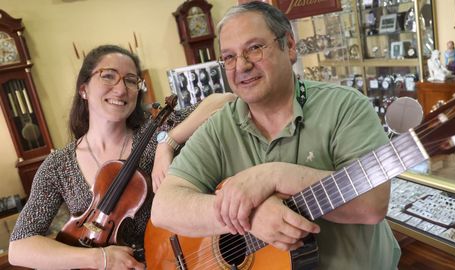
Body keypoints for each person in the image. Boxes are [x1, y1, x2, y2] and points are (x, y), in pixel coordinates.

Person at [152, 2, 400, 269]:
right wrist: (250, 217)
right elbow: (164, 207)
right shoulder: (220, 127)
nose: (242, 66)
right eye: (229, 57)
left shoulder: (345, 107)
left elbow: (372, 203)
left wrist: (275, 175)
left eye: (254, 48)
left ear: (290, 46)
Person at [8, 44, 234, 269]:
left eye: (131, 80)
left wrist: (168, 142)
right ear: (83, 89)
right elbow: (19, 247)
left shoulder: (158, 129)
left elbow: (225, 101)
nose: (121, 89)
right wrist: (100, 259)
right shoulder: (58, 165)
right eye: (108, 76)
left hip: (180, 261)